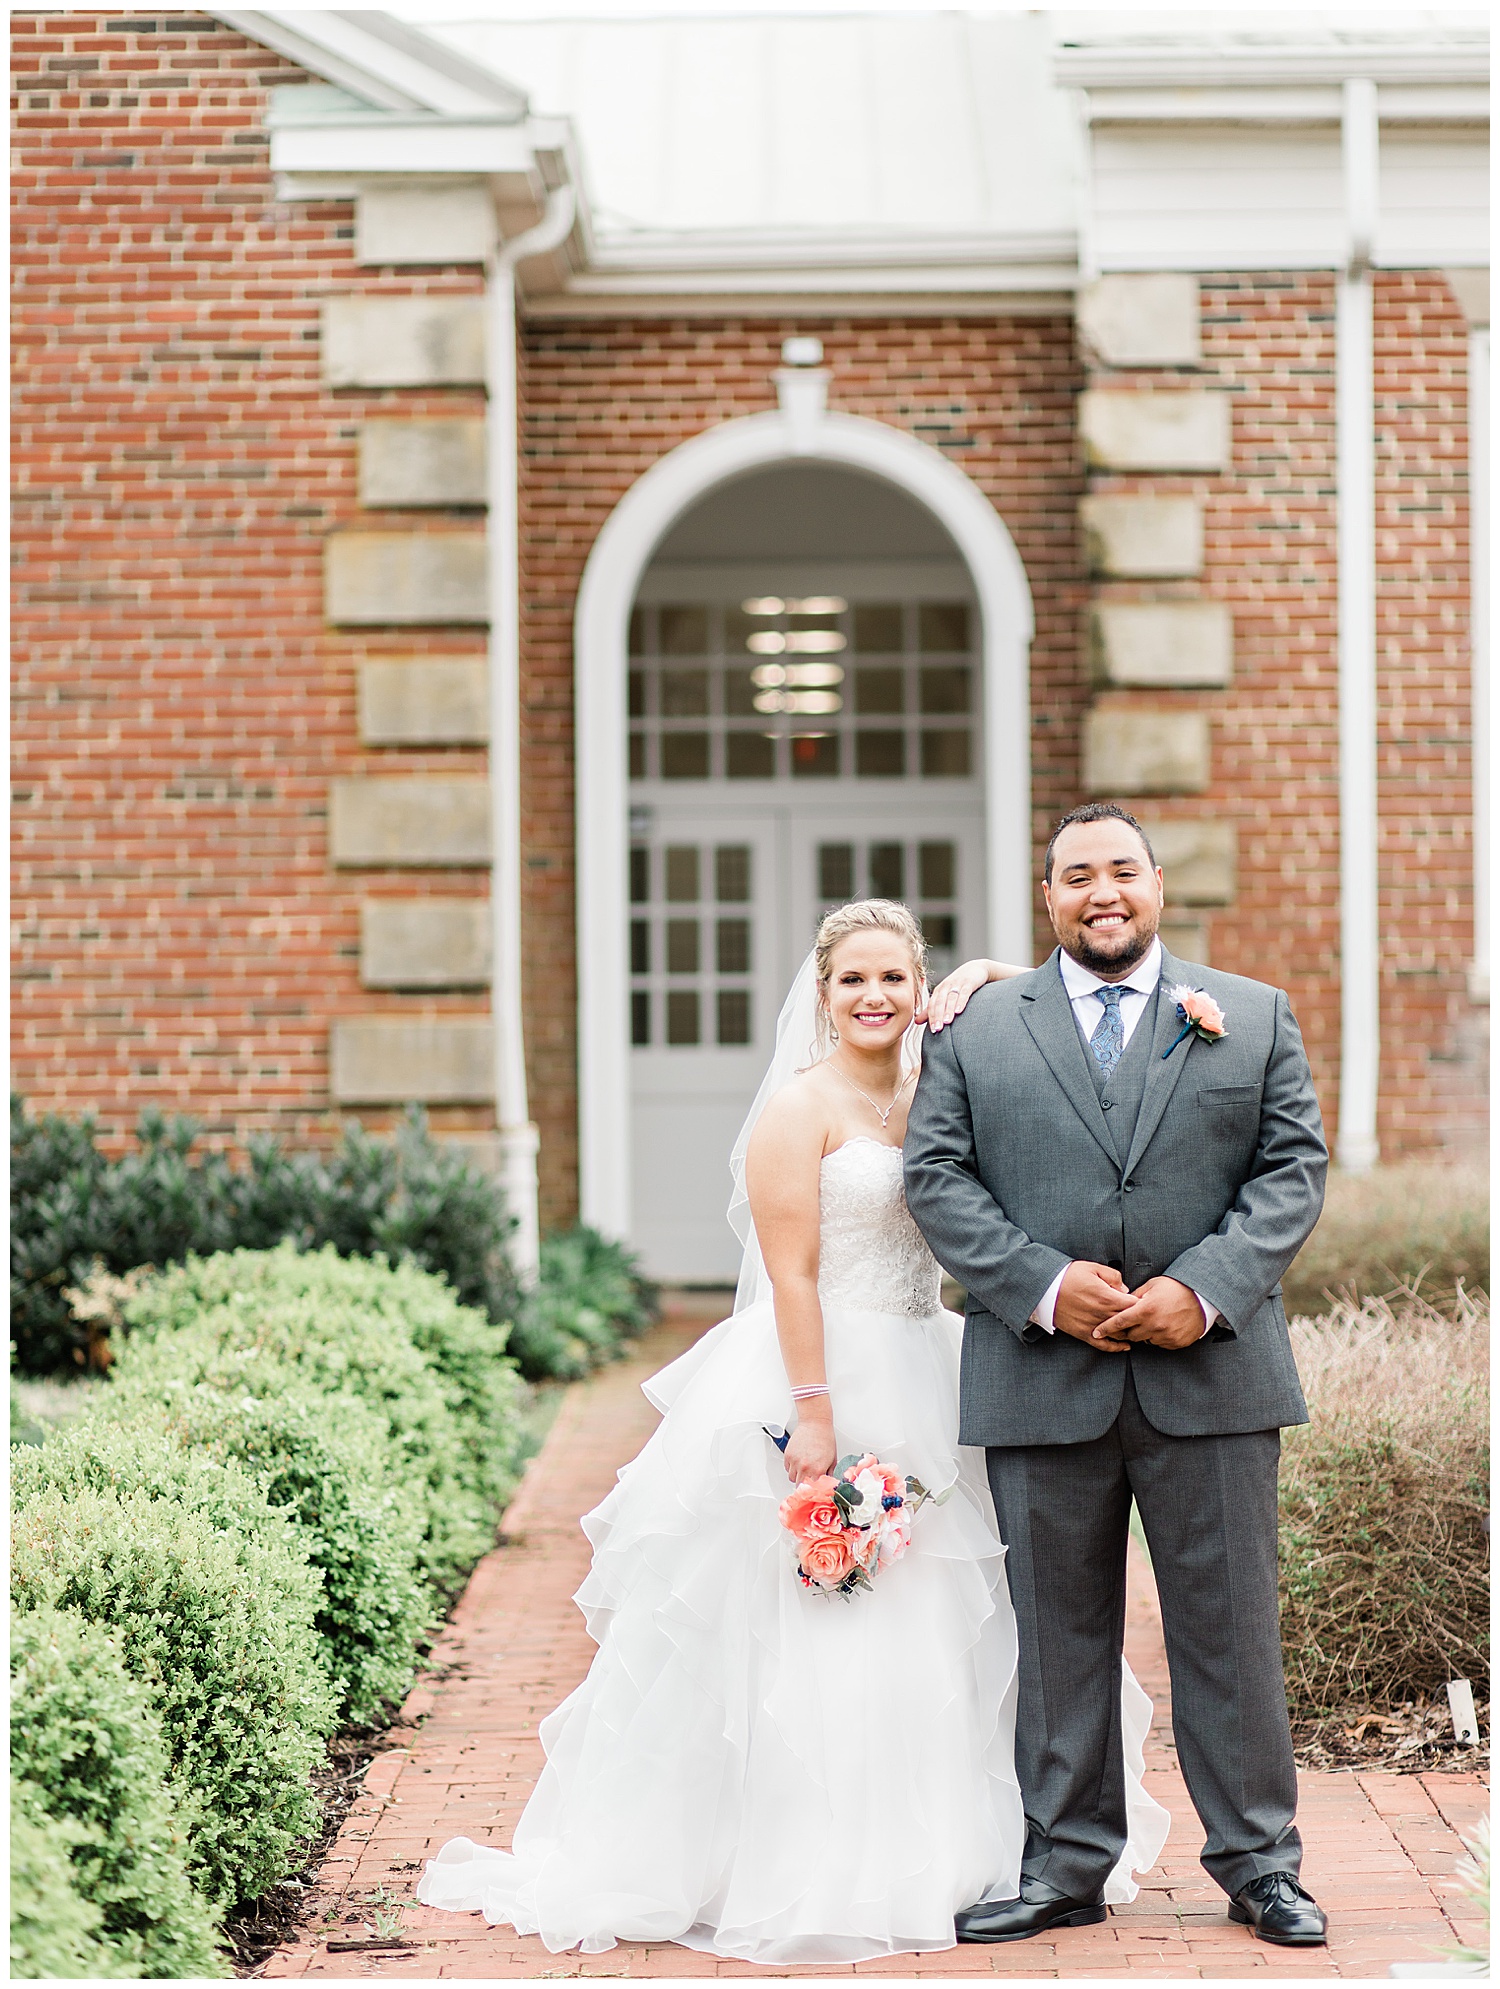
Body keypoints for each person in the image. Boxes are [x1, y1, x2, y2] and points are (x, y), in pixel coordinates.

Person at [416, 898, 1168, 1965]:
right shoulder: (797, 1110)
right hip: (822, 1375)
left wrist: (991, 969)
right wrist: (814, 1414)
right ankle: (807, 1859)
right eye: (853, 980)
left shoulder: (940, 1094)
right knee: (820, 1615)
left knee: (951, 1612)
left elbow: (1043, 1010)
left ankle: (955, 1851)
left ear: (923, 993)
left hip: (935, 1368)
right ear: (822, 996)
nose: (874, 997)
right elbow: (794, 1274)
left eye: (897, 979)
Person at [903, 801, 1330, 1950]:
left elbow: (1293, 1169)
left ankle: (1260, 1864)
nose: (1104, 892)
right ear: (1048, 898)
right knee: (1057, 1637)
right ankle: (1065, 1866)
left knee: (1232, 1636)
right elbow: (937, 1176)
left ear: (1155, 886)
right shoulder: (976, 1031)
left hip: (1215, 1380)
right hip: (1042, 1377)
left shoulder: (1252, 1014)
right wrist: (1042, 1285)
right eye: (1078, 874)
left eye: (1124, 871)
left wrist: (1207, 1288)